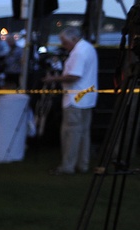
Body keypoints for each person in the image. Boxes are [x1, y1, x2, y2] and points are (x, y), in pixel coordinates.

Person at [47, 26, 98, 175]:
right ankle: (82, 164)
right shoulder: (88, 48)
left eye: (64, 42)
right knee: (83, 133)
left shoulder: (78, 52)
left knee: (70, 134)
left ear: (74, 39)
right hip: (87, 97)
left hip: (75, 98)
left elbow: (74, 75)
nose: (63, 45)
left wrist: (53, 79)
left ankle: (67, 166)